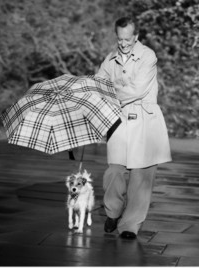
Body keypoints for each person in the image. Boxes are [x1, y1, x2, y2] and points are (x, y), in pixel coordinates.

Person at [96, 16, 172, 239]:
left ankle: (130, 225)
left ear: (136, 36)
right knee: (114, 171)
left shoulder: (148, 55)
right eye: (120, 39)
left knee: (141, 176)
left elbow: (137, 90)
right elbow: (99, 83)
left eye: (128, 39)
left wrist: (114, 88)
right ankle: (113, 211)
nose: (123, 44)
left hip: (145, 122)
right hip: (119, 121)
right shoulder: (110, 59)